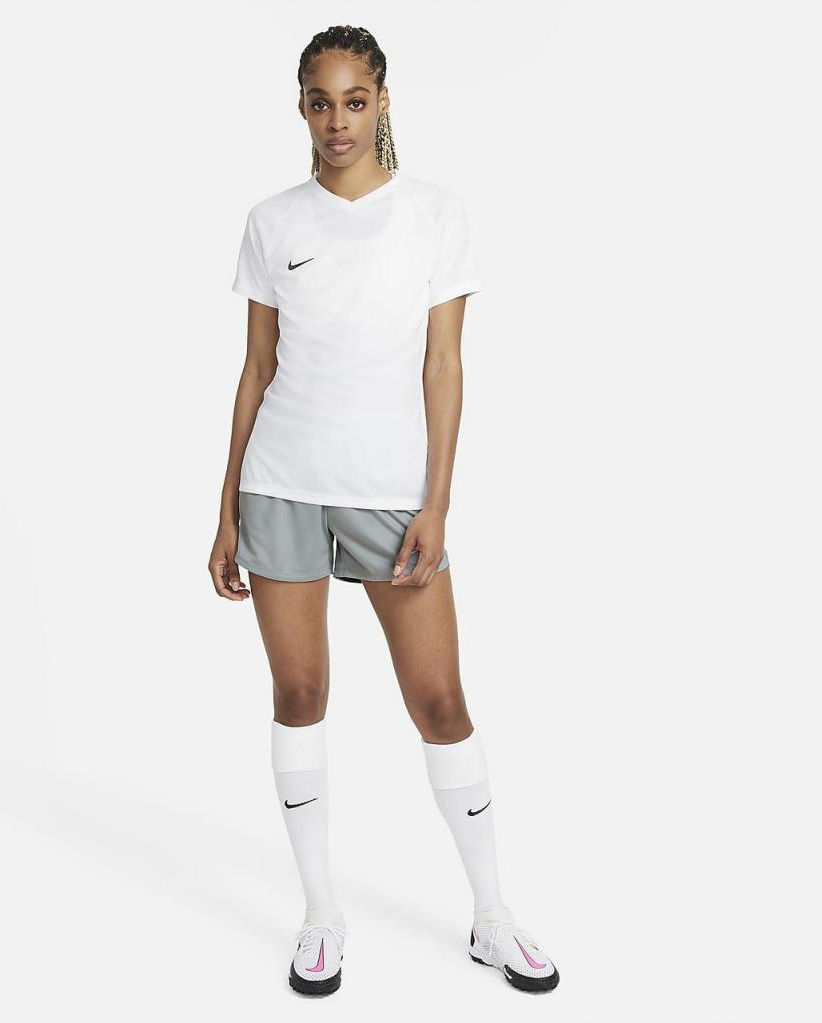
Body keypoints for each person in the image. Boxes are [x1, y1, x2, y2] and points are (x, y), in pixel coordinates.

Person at [208, 24, 560, 997]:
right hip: (280, 484)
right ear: (300, 107)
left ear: (383, 102)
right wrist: (226, 509)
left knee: (440, 702)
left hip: (392, 496)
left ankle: (491, 913)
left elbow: (445, 366)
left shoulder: (434, 215)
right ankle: (320, 913)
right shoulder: (272, 221)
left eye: (354, 100)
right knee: (299, 696)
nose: (338, 121)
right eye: (320, 101)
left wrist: (436, 503)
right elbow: (255, 371)